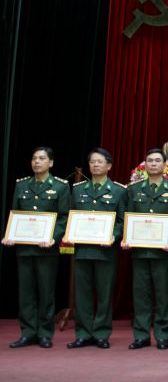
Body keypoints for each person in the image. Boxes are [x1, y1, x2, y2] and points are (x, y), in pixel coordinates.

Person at [2, 146, 69, 349]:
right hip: (24, 248)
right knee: (26, 292)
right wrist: (10, 235)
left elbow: (64, 217)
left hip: (46, 248)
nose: (36, 162)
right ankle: (27, 332)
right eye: (34, 158)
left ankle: (45, 333)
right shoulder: (21, 185)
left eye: (41, 158)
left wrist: (53, 237)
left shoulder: (60, 186)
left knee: (46, 292)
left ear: (51, 163)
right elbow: (15, 213)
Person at [64, 148, 127, 349]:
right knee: (82, 294)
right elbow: (72, 215)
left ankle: (101, 333)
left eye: (100, 162)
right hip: (83, 249)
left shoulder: (119, 190)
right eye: (92, 162)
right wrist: (69, 234)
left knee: (104, 293)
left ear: (109, 166)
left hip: (106, 250)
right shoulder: (78, 189)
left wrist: (113, 236)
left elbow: (122, 220)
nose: (95, 165)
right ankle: (83, 333)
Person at [124, 148, 168, 350]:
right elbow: (127, 217)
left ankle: (162, 335)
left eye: (157, 161)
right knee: (140, 295)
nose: (153, 164)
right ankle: (141, 335)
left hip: (163, 252)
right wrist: (127, 237)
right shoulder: (133, 190)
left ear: (165, 165)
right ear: (145, 165)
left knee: (163, 295)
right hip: (139, 251)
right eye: (149, 160)